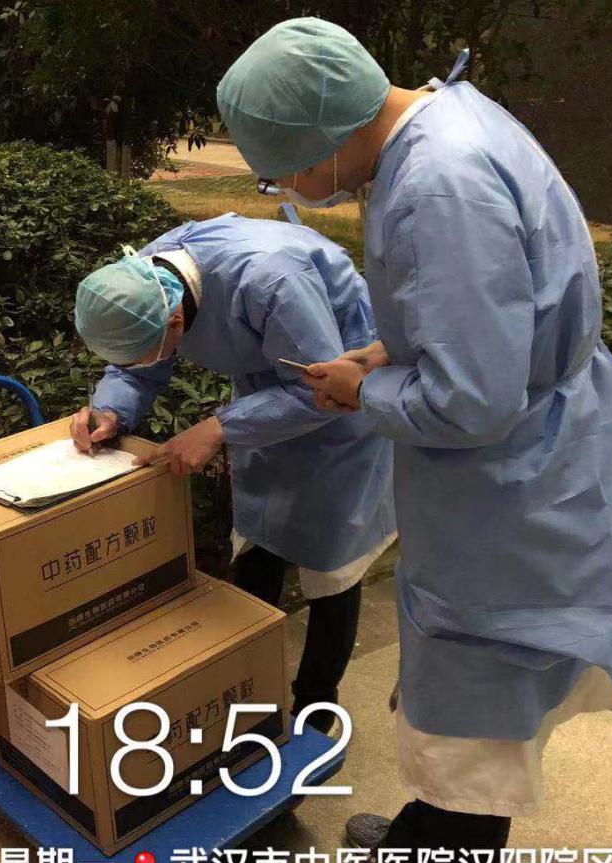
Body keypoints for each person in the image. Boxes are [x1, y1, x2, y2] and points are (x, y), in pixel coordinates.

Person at [218, 19, 612, 863]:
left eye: (284, 172)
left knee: (474, 716)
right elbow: (488, 313)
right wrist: (386, 354)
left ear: (324, 135)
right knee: (442, 684)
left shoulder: (436, 185)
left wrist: (361, 389)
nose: (290, 189)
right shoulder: (444, 119)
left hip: (507, 483)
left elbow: (472, 398)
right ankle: (423, 837)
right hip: (505, 467)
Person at [71, 215, 396, 735]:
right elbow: (138, 362)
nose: (142, 361)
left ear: (176, 320)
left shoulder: (272, 279)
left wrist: (219, 427)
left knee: (332, 567)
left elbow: (322, 389)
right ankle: (250, 685)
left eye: (152, 346)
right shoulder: (146, 282)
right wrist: (112, 409)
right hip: (264, 402)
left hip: (341, 414)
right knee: (259, 539)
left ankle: (316, 708)